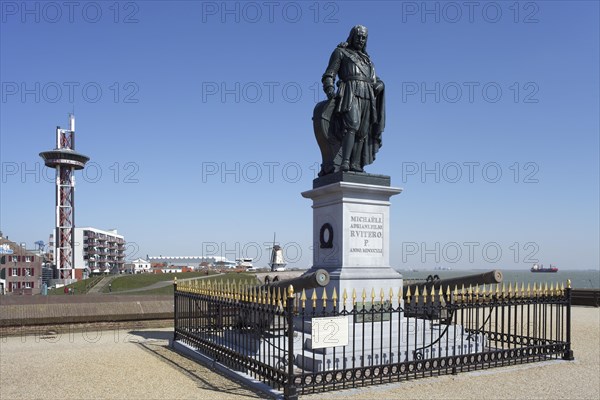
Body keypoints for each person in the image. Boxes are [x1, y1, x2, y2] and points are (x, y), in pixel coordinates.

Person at [321, 25, 385, 172]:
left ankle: (356, 164)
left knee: (363, 131)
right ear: (351, 36)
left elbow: (374, 79)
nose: (361, 40)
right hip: (350, 92)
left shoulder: (367, 60)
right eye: (358, 36)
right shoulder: (340, 52)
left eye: (364, 37)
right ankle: (345, 162)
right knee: (352, 125)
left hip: (367, 95)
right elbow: (329, 74)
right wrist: (329, 90)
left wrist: (380, 84)